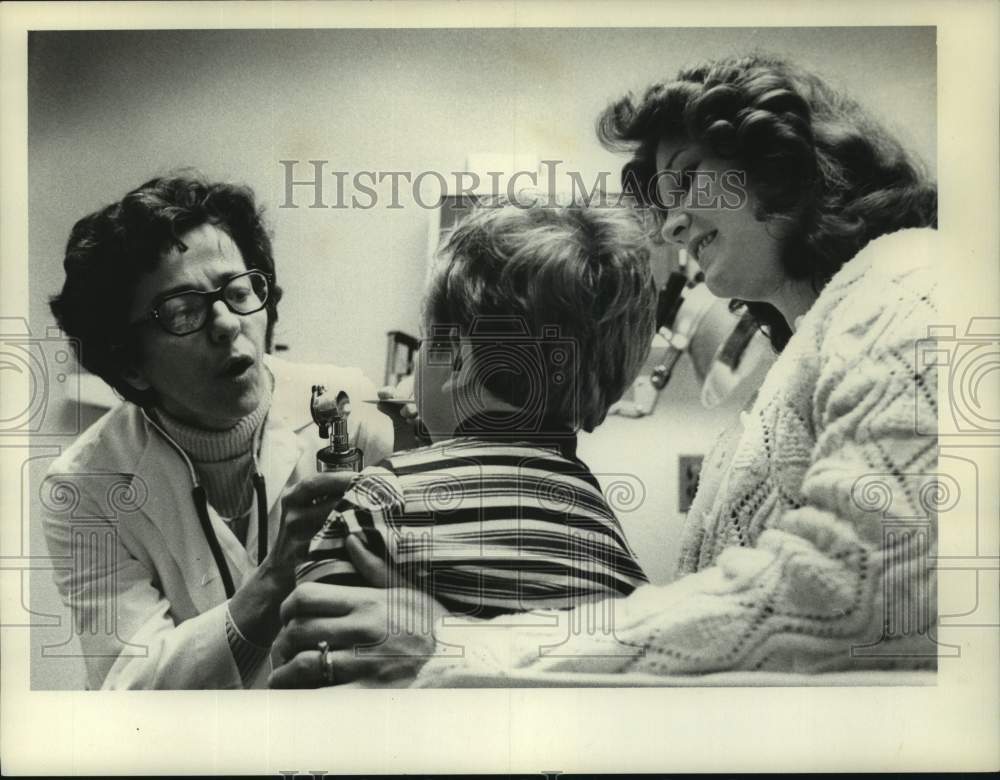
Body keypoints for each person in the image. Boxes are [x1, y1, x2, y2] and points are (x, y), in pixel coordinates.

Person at [272, 52, 941, 686]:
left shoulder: (905, 273)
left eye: (687, 177)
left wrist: (459, 645)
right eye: (663, 201)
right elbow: (692, 641)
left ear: (780, 160)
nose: (670, 226)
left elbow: (868, 587)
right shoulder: (770, 395)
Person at [42, 173, 393, 689]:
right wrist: (275, 578)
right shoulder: (83, 486)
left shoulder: (350, 408)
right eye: (183, 311)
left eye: (239, 291)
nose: (228, 323)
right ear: (130, 364)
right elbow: (130, 685)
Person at [285, 202, 654, 674]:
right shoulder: (606, 533)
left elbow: (302, 656)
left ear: (457, 357)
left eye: (424, 342)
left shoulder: (381, 498)